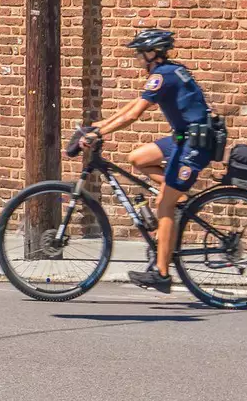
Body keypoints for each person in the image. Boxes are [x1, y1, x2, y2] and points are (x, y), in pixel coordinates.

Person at [83, 28, 217, 293]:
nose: (137, 59)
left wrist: (101, 132)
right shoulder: (167, 71)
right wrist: (102, 124)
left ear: (152, 53)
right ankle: (177, 197)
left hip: (195, 143)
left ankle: (162, 274)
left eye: (139, 54)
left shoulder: (162, 76)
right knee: (138, 158)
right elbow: (133, 105)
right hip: (184, 137)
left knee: (162, 206)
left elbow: (134, 116)